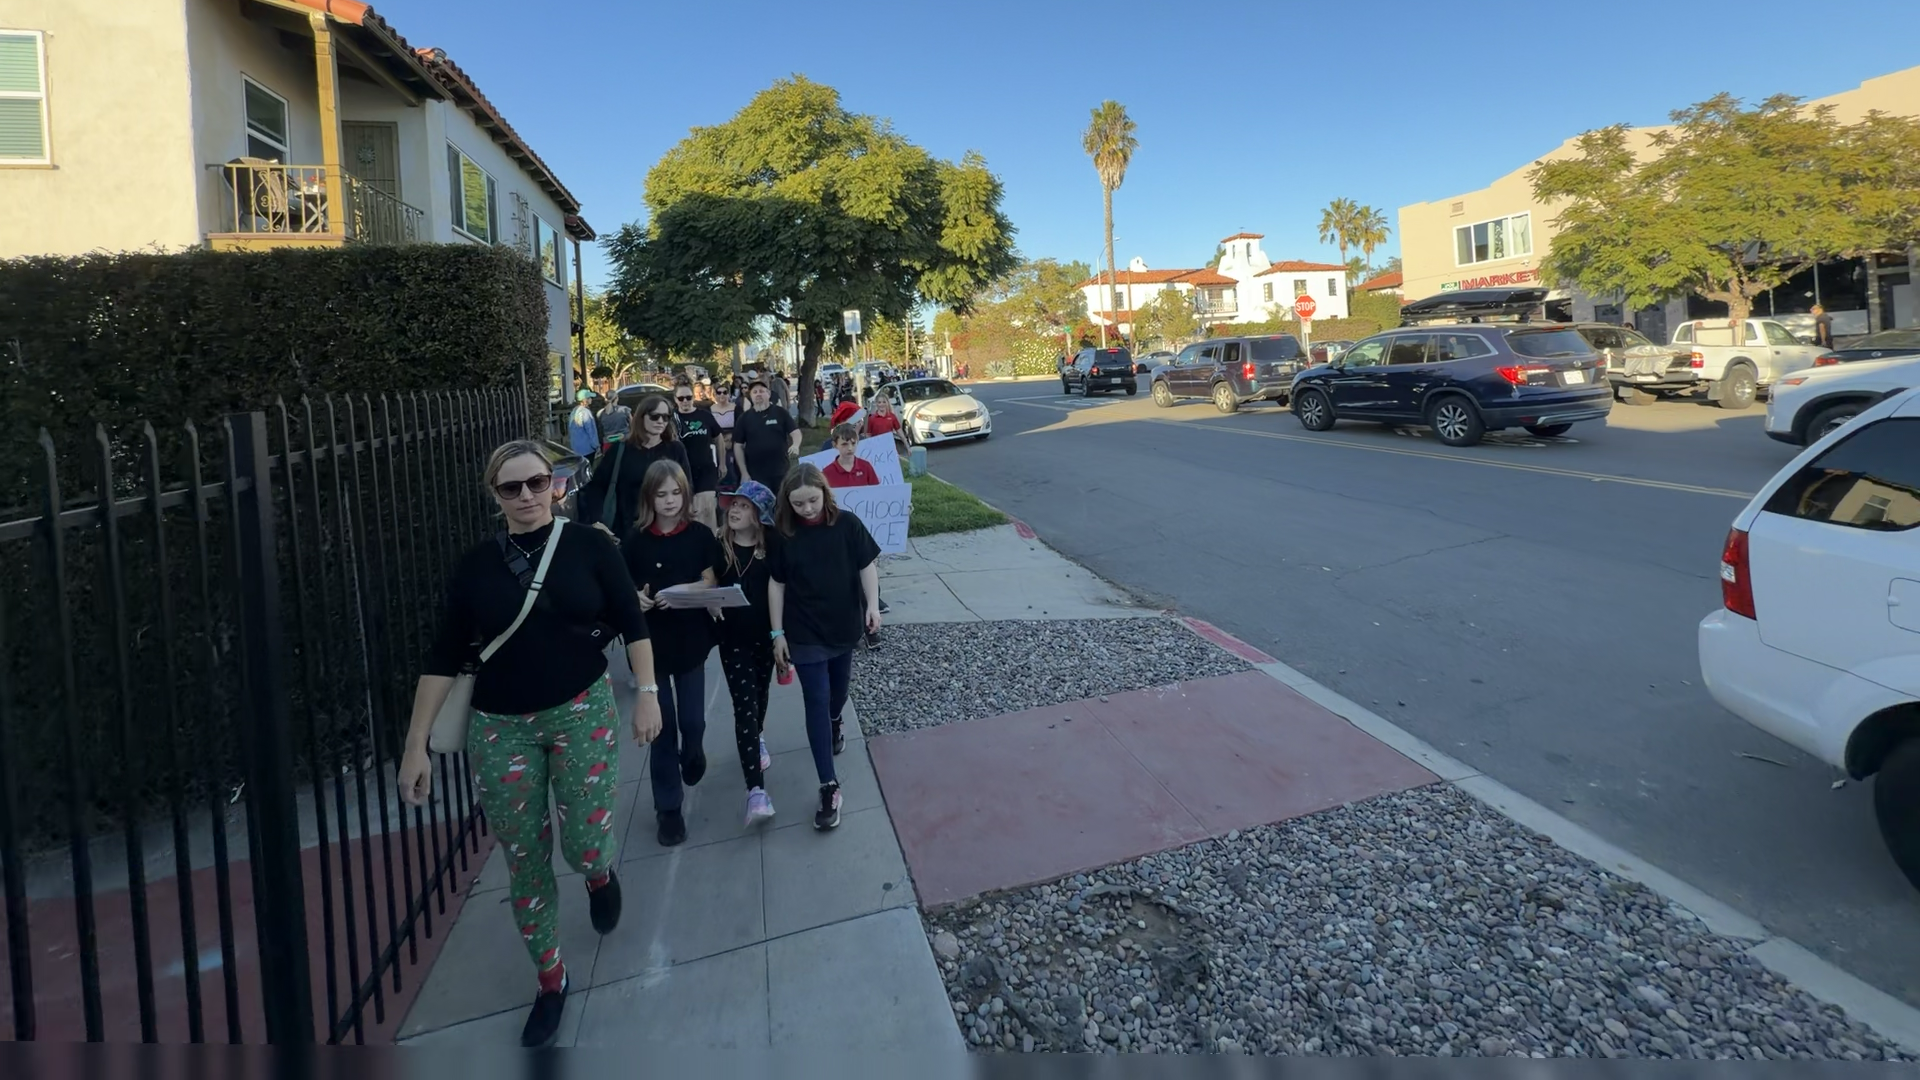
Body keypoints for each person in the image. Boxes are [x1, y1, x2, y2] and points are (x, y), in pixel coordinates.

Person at [399, 440, 660, 1048]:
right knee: (525, 859)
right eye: (511, 488)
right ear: (495, 496)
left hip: (580, 712)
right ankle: (550, 979)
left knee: (584, 841)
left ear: (556, 483)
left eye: (537, 483)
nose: (527, 497)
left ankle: (598, 874)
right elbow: (445, 654)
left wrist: (646, 692)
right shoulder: (475, 566)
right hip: (501, 726)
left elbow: (632, 618)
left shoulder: (591, 545)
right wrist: (416, 745)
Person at [769, 464, 882, 830]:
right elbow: (777, 584)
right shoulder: (784, 535)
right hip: (804, 631)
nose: (807, 509)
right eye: (798, 503)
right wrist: (777, 633)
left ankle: (837, 720)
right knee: (815, 700)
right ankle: (828, 785)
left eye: (812, 501)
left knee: (838, 693)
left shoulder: (847, 524)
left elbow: (867, 564)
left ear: (825, 492)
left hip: (843, 624)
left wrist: (873, 604)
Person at [620, 460, 725, 846]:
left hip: (691, 639)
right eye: (661, 494)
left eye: (675, 493)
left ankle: (694, 751)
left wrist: (683, 592)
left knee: (692, 721)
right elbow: (622, 588)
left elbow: (711, 579)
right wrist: (638, 598)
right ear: (649, 497)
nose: (668, 501)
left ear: (685, 494)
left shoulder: (699, 535)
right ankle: (668, 808)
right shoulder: (635, 541)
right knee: (661, 728)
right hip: (650, 645)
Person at [715, 480, 781, 827]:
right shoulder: (719, 547)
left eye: (743, 505)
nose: (734, 510)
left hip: (766, 641)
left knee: (761, 696)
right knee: (745, 706)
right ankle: (755, 791)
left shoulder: (772, 548)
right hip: (732, 641)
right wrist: (709, 601)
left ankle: (758, 737)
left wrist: (781, 637)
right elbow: (706, 582)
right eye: (733, 504)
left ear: (760, 514)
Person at [575, 393, 691, 537]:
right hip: (627, 531)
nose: (661, 421)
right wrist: (597, 521)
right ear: (641, 417)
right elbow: (596, 487)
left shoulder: (675, 449)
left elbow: (686, 487)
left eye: (666, 417)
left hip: (667, 530)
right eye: (655, 416)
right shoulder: (620, 450)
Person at [733, 377, 801, 493]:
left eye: (762, 391)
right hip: (756, 474)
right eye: (755, 392)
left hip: (781, 470)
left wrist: (795, 445)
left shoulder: (780, 412)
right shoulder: (744, 418)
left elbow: (795, 432)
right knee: (762, 506)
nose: (758, 394)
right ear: (750, 396)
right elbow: (738, 446)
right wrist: (744, 473)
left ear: (769, 394)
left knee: (783, 505)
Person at [672, 378, 722, 530]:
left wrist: (723, 463)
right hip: (682, 472)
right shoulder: (672, 419)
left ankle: (712, 542)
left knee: (707, 508)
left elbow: (718, 437)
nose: (685, 401)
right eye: (681, 398)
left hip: (706, 468)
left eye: (688, 397)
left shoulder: (704, 415)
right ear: (675, 399)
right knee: (691, 511)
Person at [710, 381, 739, 490]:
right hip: (717, 443)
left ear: (729, 394)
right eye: (719, 392)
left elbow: (740, 426)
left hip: (732, 443)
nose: (722, 395)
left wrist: (731, 437)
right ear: (715, 395)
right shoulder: (710, 409)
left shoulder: (736, 408)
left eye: (725, 392)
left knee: (732, 469)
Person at [567, 390, 601, 466]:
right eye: (590, 398)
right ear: (585, 399)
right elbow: (591, 431)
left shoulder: (574, 411)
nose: (591, 399)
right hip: (587, 449)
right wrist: (596, 446)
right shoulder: (586, 412)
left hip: (576, 448)